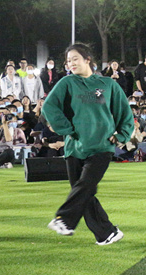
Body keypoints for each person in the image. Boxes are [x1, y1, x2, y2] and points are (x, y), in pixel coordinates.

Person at [41, 43, 134, 245]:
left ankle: (64, 219)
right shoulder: (67, 82)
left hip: (101, 146)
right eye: (68, 61)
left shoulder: (108, 84)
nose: (71, 63)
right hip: (74, 147)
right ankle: (107, 233)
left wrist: (122, 135)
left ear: (87, 59)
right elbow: (49, 106)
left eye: (75, 58)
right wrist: (66, 129)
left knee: (84, 186)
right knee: (84, 192)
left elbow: (125, 112)